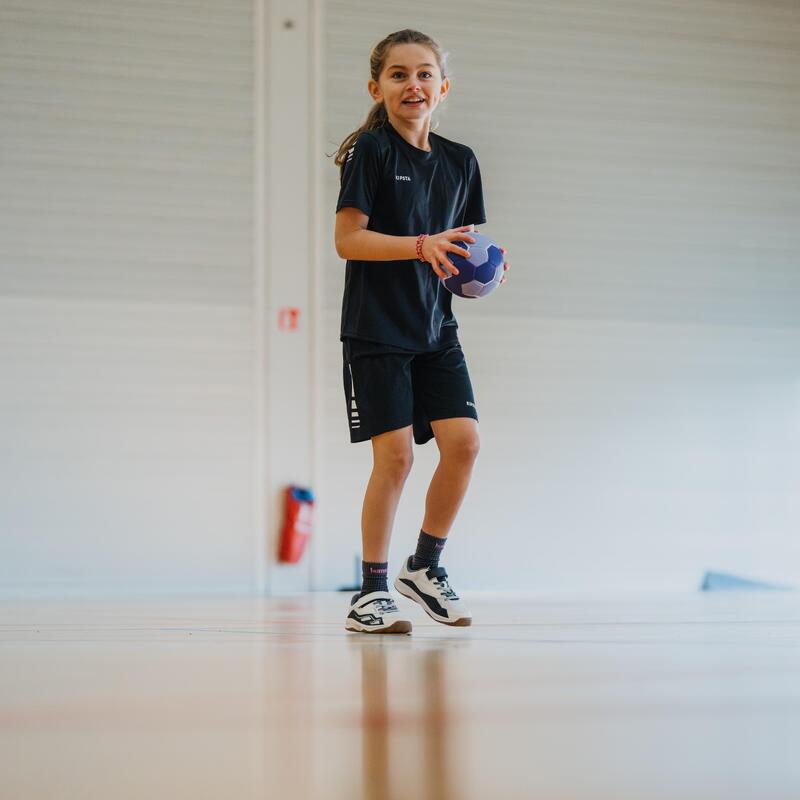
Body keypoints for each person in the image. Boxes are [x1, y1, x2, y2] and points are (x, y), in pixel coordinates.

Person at [332, 29, 509, 634]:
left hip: (437, 329)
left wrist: (488, 266)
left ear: (443, 87)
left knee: (466, 444)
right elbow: (347, 241)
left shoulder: (461, 161)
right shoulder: (371, 152)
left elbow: (462, 248)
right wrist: (419, 245)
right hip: (377, 330)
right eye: (400, 74)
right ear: (377, 87)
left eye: (425, 74)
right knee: (397, 457)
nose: (414, 85)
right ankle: (371, 592)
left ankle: (424, 567)